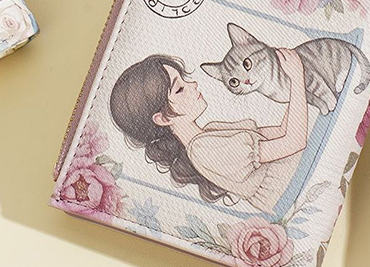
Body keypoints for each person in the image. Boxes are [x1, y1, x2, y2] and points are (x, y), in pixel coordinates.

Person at [109, 49, 309, 212]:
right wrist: (297, 78)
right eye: (179, 89)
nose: (193, 84)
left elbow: (282, 131)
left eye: (185, 79)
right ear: (162, 119)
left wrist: (298, 84)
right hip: (297, 190)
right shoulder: (203, 150)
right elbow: (295, 141)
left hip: (299, 174)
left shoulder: (210, 132)